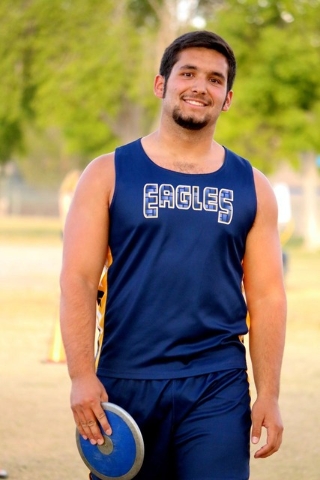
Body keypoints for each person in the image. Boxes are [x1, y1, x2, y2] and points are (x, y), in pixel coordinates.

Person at [60, 30, 286, 480]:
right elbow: (79, 281)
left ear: (227, 98)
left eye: (215, 79)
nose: (200, 86)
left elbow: (267, 297)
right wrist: (81, 377)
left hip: (216, 382)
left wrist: (270, 393)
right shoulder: (107, 173)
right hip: (126, 381)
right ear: (161, 84)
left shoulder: (253, 186)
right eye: (188, 73)